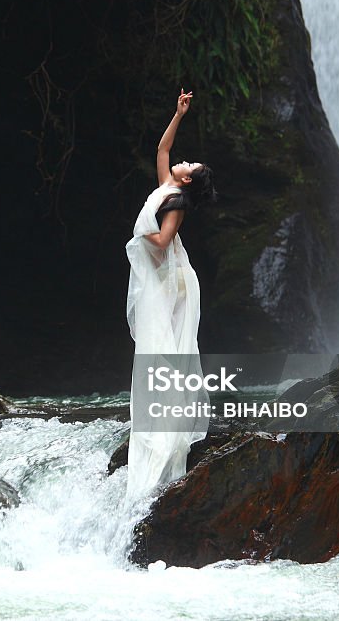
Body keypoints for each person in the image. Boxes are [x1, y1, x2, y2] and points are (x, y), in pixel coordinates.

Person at [124, 89, 217, 503]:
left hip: (174, 282)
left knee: (164, 349)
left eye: (188, 164)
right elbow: (162, 147)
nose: (181, 159)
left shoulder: (176, 202)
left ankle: (165, 430)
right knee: (156, 347)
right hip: (163, 278)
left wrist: (138, 230)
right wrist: (178, 114)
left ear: (187, 179)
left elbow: (162, 242)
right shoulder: (168, 184)